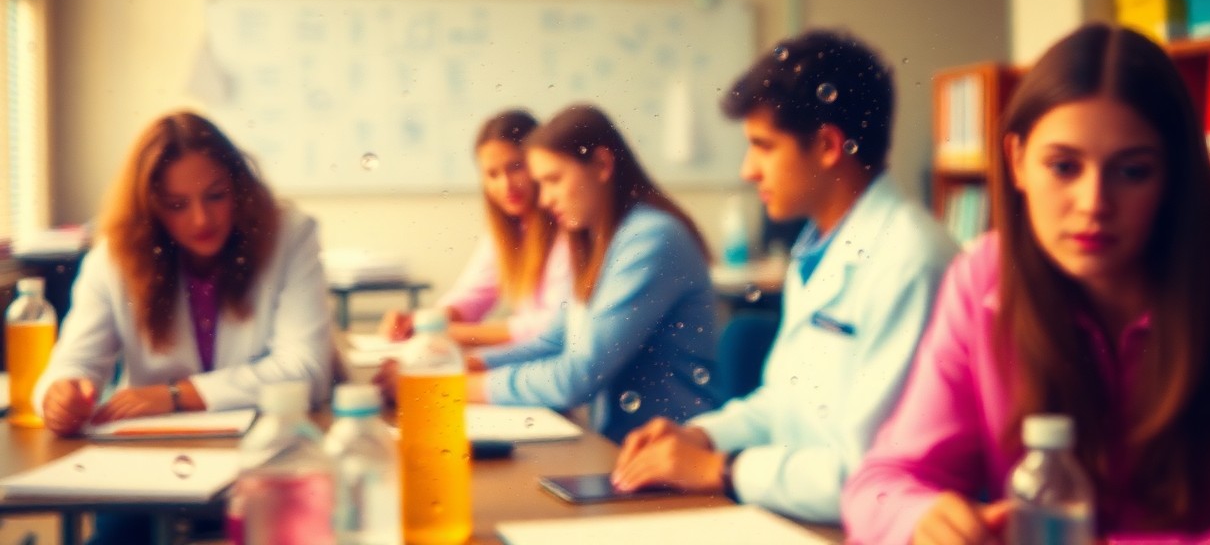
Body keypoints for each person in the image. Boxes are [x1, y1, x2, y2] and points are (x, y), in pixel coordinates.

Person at [842, 24, 1210, 544]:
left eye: (1131, 172)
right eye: (1063, 167)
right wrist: (918, 517)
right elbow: (880, 482)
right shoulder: (983, 278)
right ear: (1017, 162)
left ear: (1173, 175)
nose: (1093, 203)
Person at [610, 29, 959, 523]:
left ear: (827, 145)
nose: (748, 169)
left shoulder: (911, 262)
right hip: (795, 515)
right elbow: (786, 403)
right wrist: (702, 436)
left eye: (762, 146)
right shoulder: (819, 248)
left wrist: (721, 468)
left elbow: (867, 478)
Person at [33, 111, 333, 544]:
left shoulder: (290, 235)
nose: (200, 220)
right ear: (150, 205)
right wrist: (62, 393)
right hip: (150, 467)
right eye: (177, 204)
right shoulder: (115, 257)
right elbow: (72, 364)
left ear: (240, 189)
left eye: (216, 196)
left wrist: (173, 395)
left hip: (266, 456)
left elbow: (306, 370)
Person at [376, 103, 720, 442]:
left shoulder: (650, 238)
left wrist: (442, 388)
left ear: (601, 164)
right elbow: (553, 341)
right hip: (620, 448)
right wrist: (471, 365)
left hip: (667, 453)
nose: (543, 200)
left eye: (554, 180)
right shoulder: (600, 240)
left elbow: (577, 377)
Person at [378, 109, 572, 347]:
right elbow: (472, 295)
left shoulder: (567, 225)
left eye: (515, 167)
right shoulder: (508, 232)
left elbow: (551, 326)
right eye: (492, 174)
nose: (506, 185)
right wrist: (420, 322)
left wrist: (448, 334)